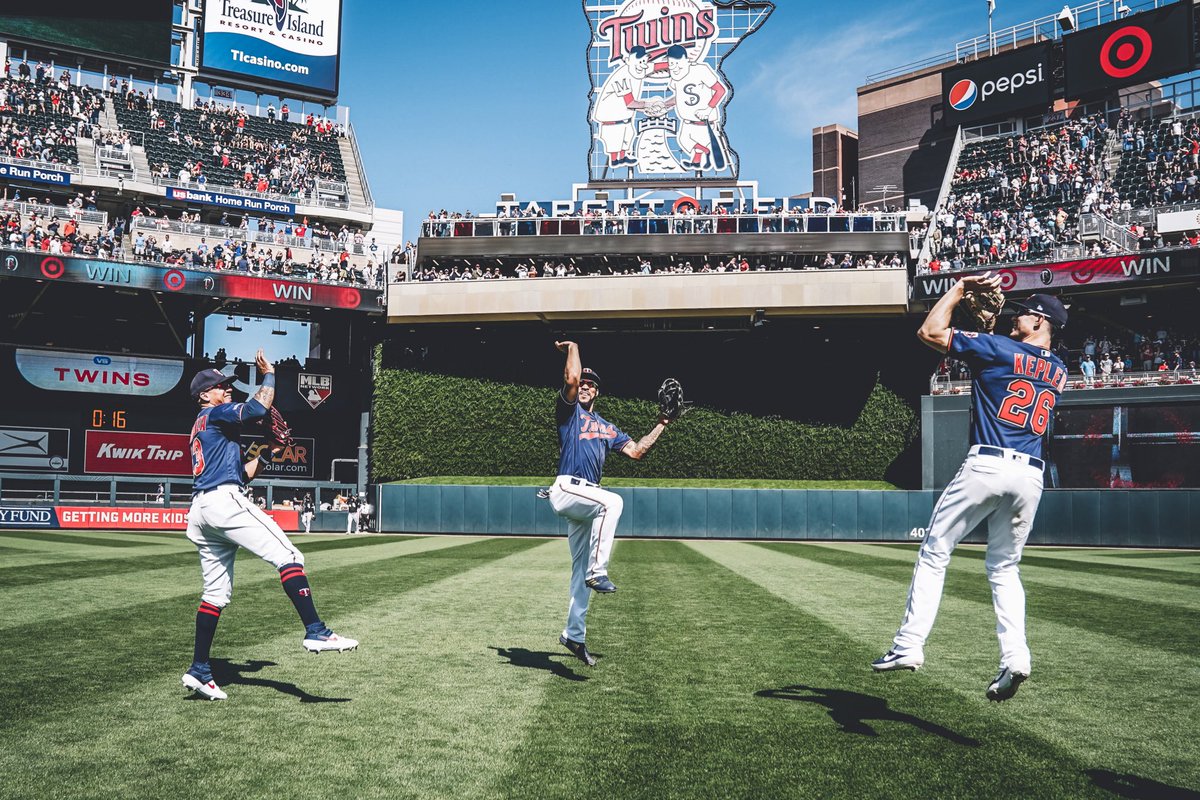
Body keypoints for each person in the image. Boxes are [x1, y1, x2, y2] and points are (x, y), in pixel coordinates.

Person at [871, 278, 1068, 703]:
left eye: (1024, 312)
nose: (1017, 315)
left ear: (1040, 320)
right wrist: (994, 328)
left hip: (988, 463)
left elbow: (929, 331)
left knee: (935, 551)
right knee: (1004, 568)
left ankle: (908, 645)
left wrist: (959, 289)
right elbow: (1017, 362)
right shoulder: (1061, 371)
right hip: (1031, 475)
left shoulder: (998, 348)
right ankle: (1016, 656)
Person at [182, 350, 357, 701]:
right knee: (289, 556)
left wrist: (266, 453)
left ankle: (200, 669)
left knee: (216, 594)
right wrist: (270, 375)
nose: (227, 389)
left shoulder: (201, 426)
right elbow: (258, 409)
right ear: (205, 395)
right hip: (222, 503)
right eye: (221, 386)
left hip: (201, 510)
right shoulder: (214, 413)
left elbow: (241, 474)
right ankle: (316, 630)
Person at [546, 341, 672, 666]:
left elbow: (636, 451)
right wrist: (572, 347)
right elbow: (570, 378)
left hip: (585, 500)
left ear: (597, 392)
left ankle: (574, 635)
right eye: (582, 383)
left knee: (578, 575)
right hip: (567, 488)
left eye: (591, 384)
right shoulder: (569, 412)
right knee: (612, 502)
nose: (584, 385)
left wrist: (662, 423)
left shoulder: (606, 427)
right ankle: (598, 570)